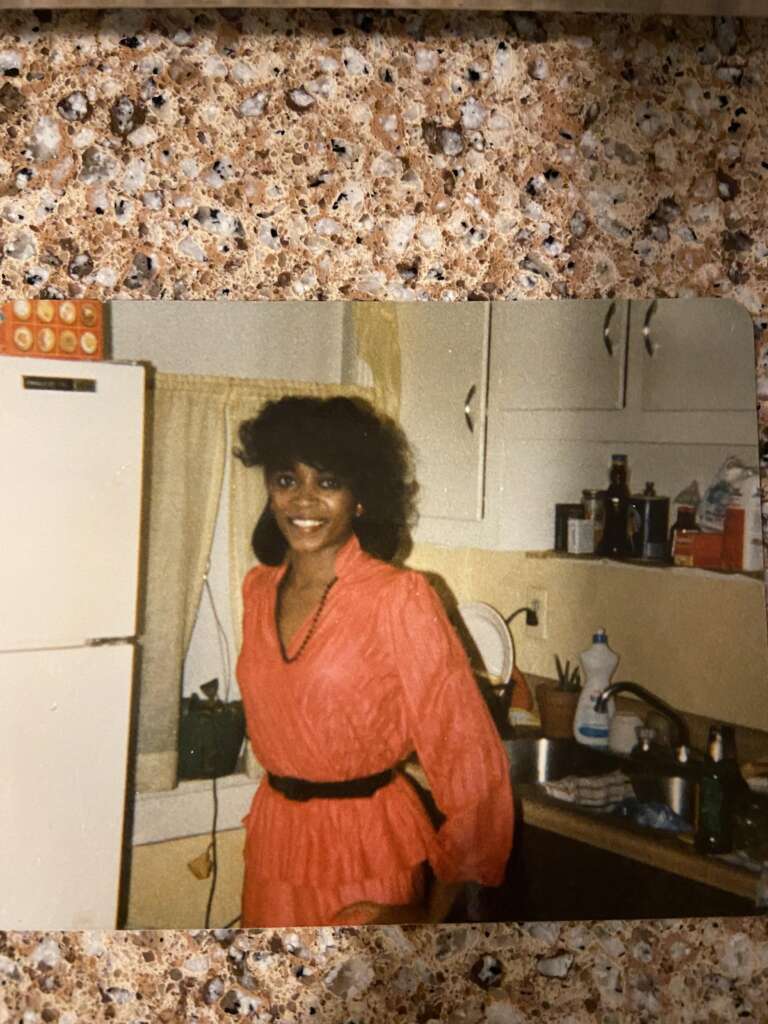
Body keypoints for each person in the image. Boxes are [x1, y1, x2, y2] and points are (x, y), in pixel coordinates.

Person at [233, 395, 514, 927]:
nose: (304, 501)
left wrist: (425, 919)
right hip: (275, 846)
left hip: (366, 850)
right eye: (287, 480)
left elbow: (468, 758)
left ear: (362, 497)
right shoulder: (256, 589)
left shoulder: (399, 597)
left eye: (329, 482)